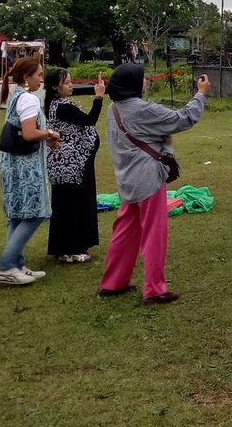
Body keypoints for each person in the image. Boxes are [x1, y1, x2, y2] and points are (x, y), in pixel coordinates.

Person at [98, 65, 209, 304]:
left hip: (127, 179)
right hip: (148, 180)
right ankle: (155, 289)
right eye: (143, 78)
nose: (146, 81)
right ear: (133, 84)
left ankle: (113, 282)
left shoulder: (113, 109)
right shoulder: (142, 109)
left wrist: (161, 138)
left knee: (125, 231)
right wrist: (200, 94)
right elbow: (183, 118)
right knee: (154, 234)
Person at [0, 58, 60, 285]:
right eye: (39, 75)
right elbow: (30, 134)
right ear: (26, 77)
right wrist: (50, 133)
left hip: (12, 164)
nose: (42, 79)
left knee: (18, 214)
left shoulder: (16, 96)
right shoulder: (28, 98)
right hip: (26, 168)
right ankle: (5, 266)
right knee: (36, 213)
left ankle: (16, 264)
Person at [44, 68, 106, 263]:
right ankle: (74, 249)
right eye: (67, 82)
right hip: (72, 165)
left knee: (64, 205)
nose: (71, 85)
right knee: (74, 205)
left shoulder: (54, 104)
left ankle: (63, 248)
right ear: (55, 86)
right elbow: (89, 120)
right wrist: (98, 97)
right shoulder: (63, 107)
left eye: (71, 81)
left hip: (64, 164)